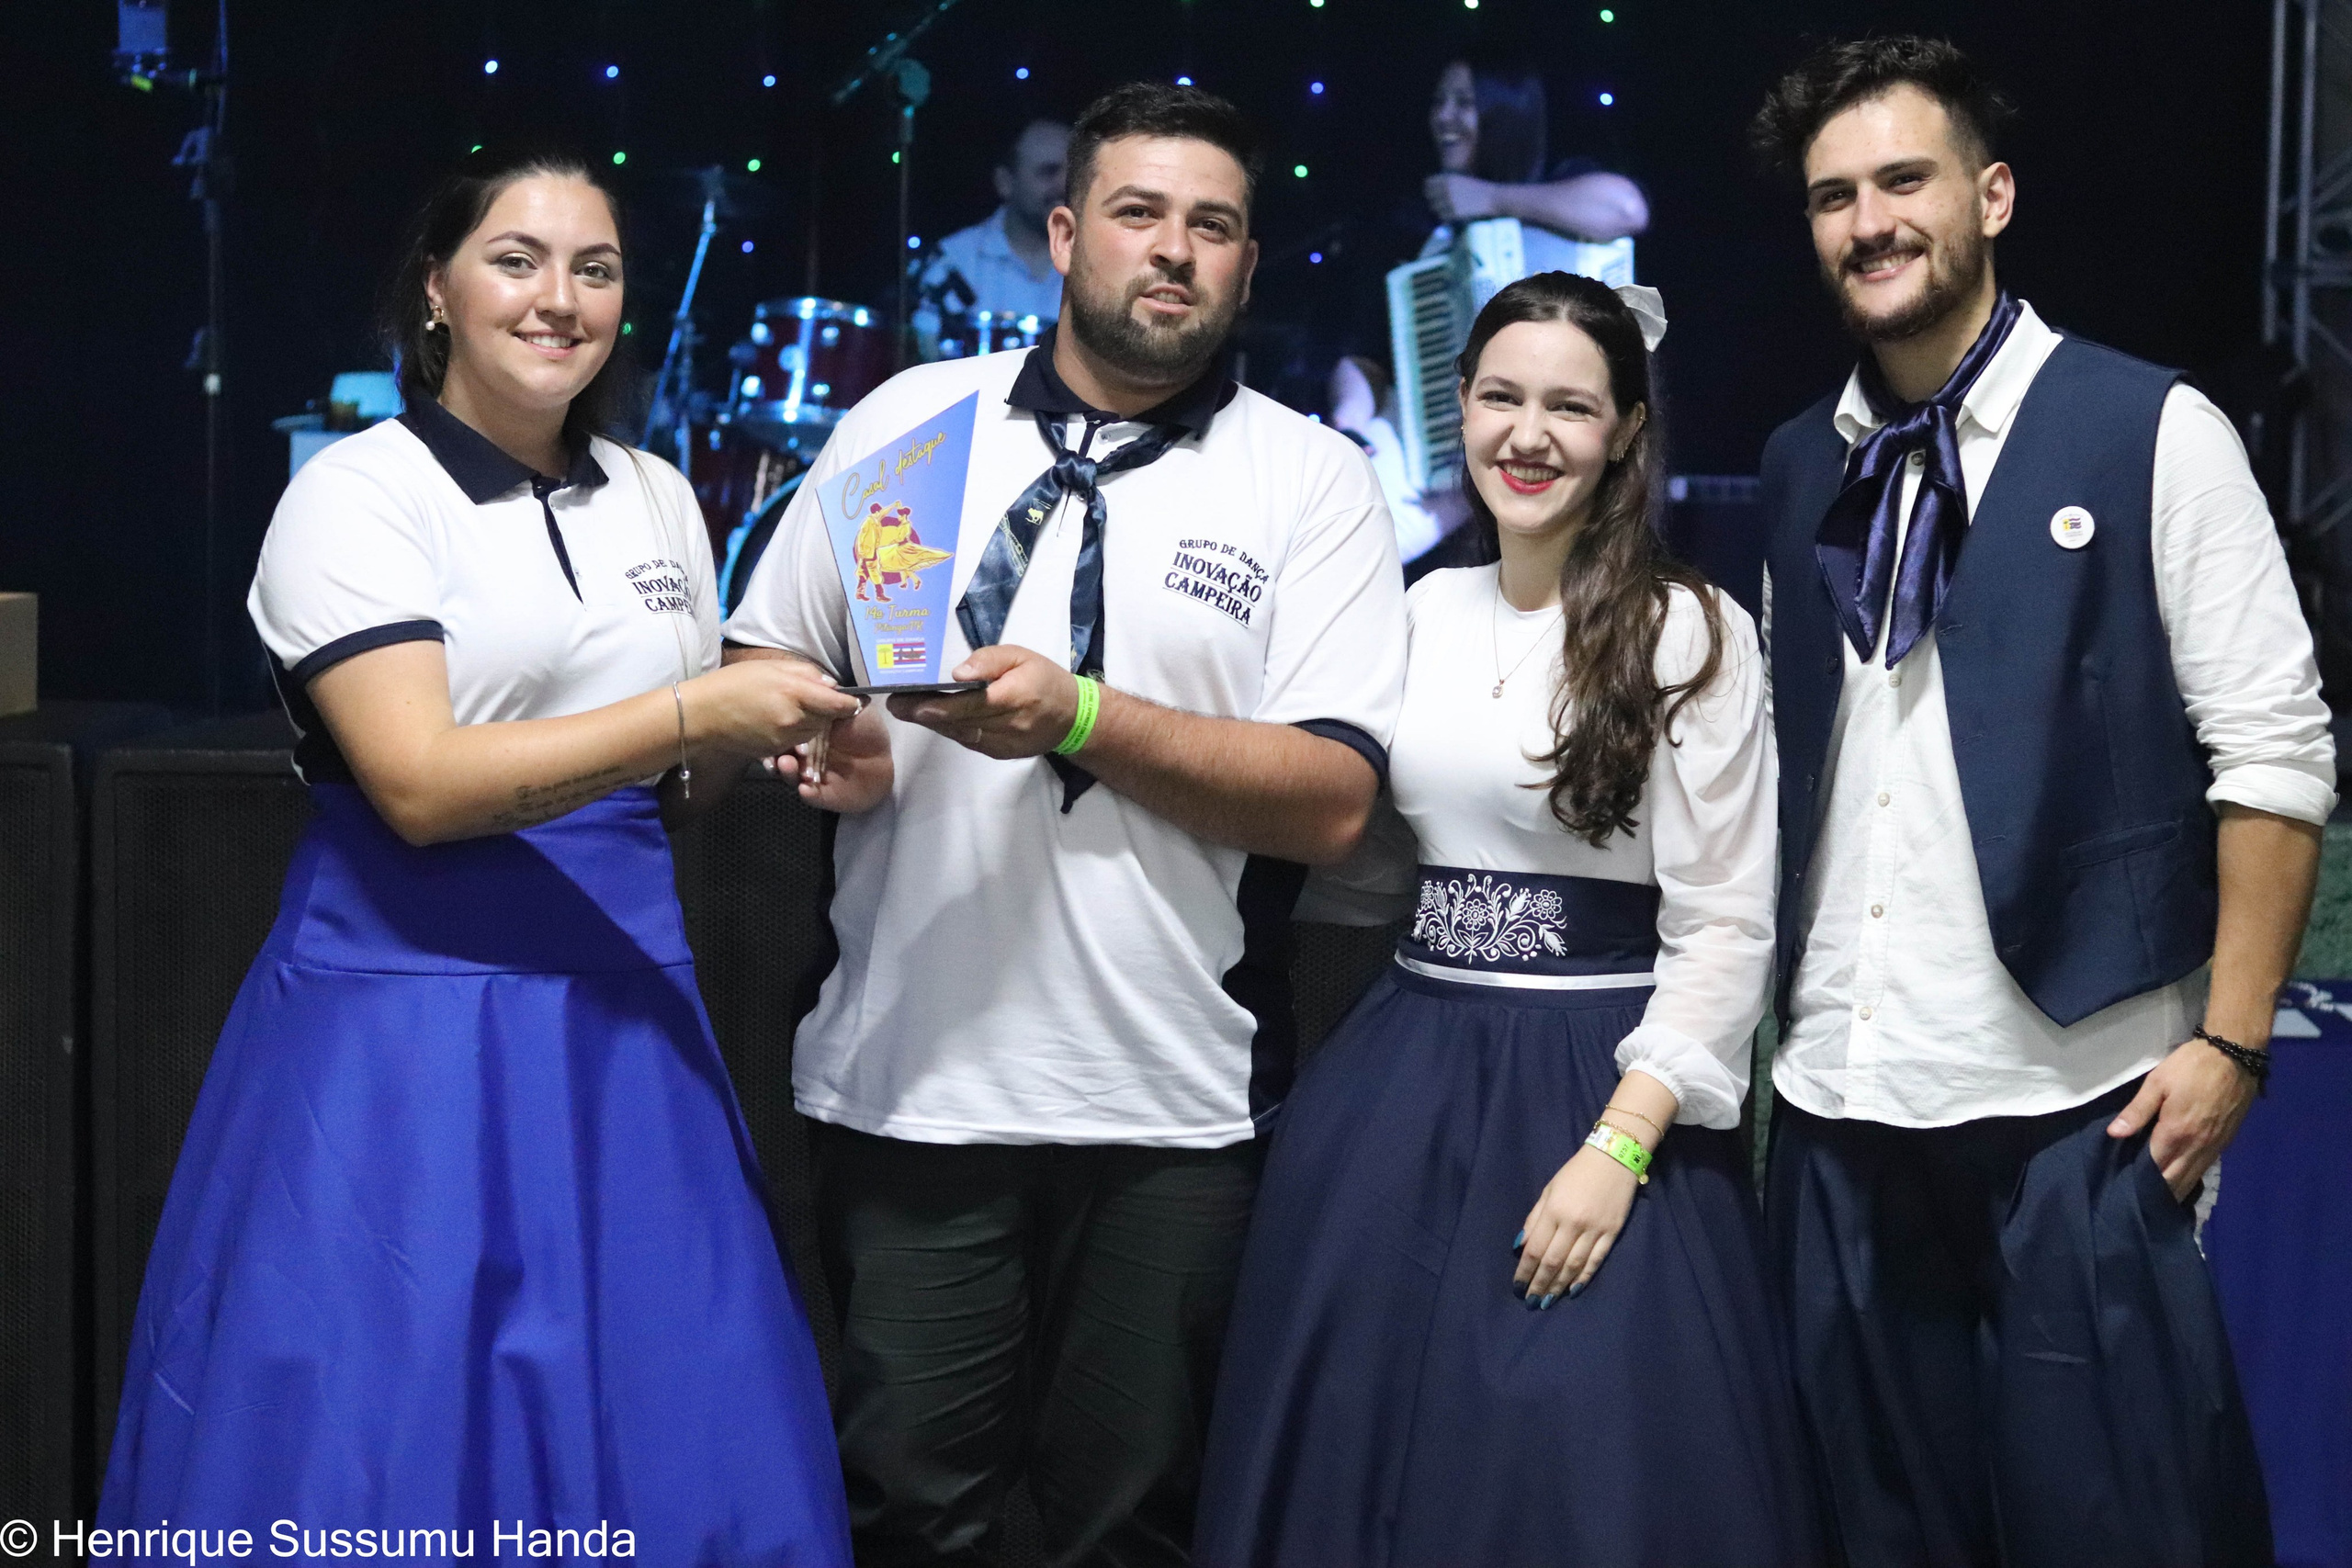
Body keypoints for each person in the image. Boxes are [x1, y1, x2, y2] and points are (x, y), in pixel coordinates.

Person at [99, 146, 857, 1561]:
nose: (558, 298)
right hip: (402, 1029)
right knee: (377, 1439)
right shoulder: (360, 492)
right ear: (436, 290)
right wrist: (702, 705)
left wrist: (767, 743)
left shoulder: (658, 497)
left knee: (665, 1415)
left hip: (627, 1028)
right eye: (517, 260)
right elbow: (421, 786)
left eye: (596, 267)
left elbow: (660, 785)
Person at [724, 82, 1407, 1566]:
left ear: (1245, 263)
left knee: (1136, 1529)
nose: (1174, 252)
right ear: (1060, 234)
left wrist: (1083, 718)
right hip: (914, 1079)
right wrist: (821, 736)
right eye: (1138, 214)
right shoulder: (908, 426)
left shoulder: (1311, 479)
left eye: (1212, 227)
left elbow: (1339, 802)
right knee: (913, 1514)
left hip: (1174, 1102)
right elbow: (764, 657)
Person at [1750, 36, 2332, 1565]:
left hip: (2080, 1101)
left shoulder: (2152, 428)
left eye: (1903, 180)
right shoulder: (1800, 458)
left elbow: (2274, 757)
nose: (1869, 220)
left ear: (1991, 196)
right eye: (1832, 196)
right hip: (1839, 1104)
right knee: (1872, 1534)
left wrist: (2233, 1045)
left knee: (2125, 1532)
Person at [1193, 274, 1821, 1566]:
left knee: (1575, 1468)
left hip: (1599, 1084)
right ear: (1462, 407)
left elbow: (1725, 931)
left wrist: (1621, 1150)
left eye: (1570, 406)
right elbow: (1356, 855)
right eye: (1500, 396)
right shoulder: (1412, 611)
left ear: (1626, 433)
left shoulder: (1692, 629)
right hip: (1403, 1081)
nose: (1528, 434)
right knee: (1360, 1461)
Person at [1337, 59, 1648, 568]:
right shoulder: (1421, 227)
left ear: (1505, 112)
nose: (1444, 117)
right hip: (1434, 456)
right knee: (1331, 526)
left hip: (1542, 455)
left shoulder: (1558, 185)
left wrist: (1490, 199)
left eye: (1464, 102)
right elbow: (1366, 359)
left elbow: (1626, 209)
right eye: (1438, 102)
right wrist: (1350, 423)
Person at [912, 118, 1072, 360]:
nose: (1064, 185)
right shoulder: (952, 261)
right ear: (1005, 183)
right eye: (1048, 172)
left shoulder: (1101, 260)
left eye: (1073, 173)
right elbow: (923, 358)